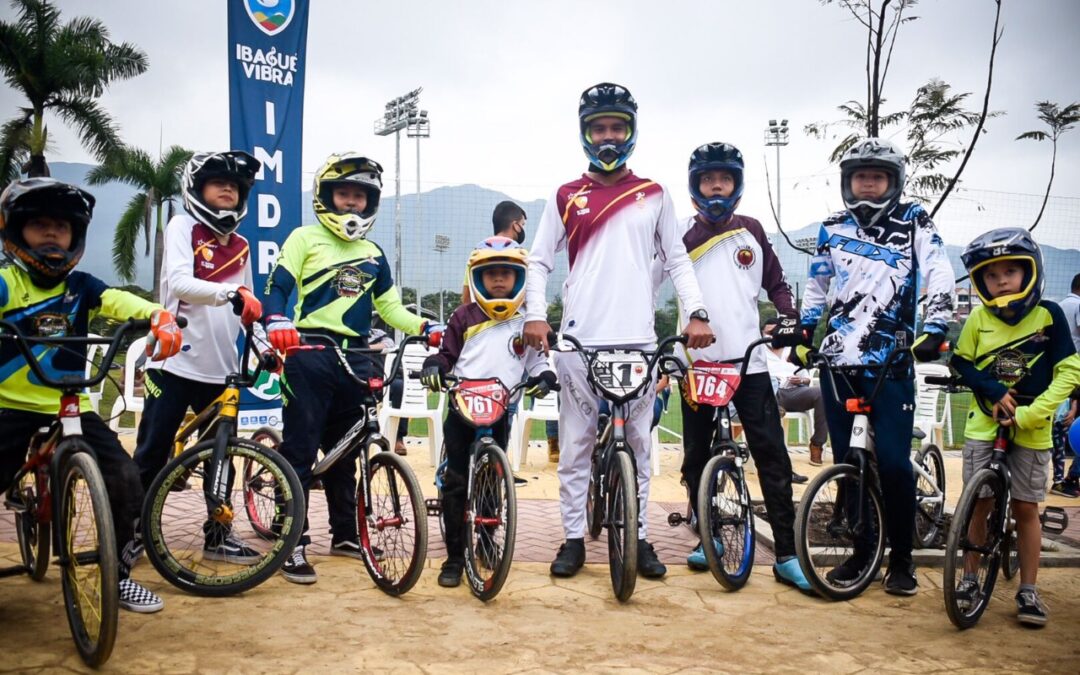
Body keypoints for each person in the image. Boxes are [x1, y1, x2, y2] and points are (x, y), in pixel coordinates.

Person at [522, 82, 714, 580]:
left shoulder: (653, 193)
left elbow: (677, 260)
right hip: (578, 343)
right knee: (578, 445)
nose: (608, 136)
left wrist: (697, 314)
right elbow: (538, 261)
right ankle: (570, 540)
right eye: (599, 128)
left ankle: (642, 539)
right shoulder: (566, 194)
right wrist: (535, 316)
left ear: (631, 132)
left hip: (639, 343)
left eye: (617, 127)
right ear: (586, 133)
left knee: (643, 449)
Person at [0, 178, 183, 613]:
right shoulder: (7, 283)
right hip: (11, 405)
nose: (51, 234)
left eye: (61, 227)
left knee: (124, 479)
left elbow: (118, 300)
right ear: (15, 231)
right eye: (39, 224)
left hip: (71, 406)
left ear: (75, 236)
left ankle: (117, 577)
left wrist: (159, 315)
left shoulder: (81, 286)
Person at [263, 153, 441, 585]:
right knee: (302, 450)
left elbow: (390, 308)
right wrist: (276, 320)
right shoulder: (304, 239)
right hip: (308, 353)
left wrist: (424, 325)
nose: (351, 205)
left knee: (346, 452)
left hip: (358, 358)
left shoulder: (373, 253)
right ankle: (292, 542)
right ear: (326, 197)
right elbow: (276, 290)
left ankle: (345, 533)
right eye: (343, 194)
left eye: (360, 197)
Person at [794, 138, 956, 596]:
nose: (867, 183)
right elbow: (818, 285)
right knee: (850, 462)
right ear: (848, 183)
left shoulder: (914, 220)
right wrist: (807, 330)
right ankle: (862, 554)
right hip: (839, 361)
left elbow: (938, 268)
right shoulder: (831, 228)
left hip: (891, 360)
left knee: (892, 463)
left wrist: (937, 322)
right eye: (859, 176)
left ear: (893, 182)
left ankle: (901, 561)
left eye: (877, 176)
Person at [672, 142, 811, 591]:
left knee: (771, 455)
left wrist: (789, 317)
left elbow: (777, 284)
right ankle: (705, 536)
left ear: (737, 184)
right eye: (709, 179)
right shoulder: (678, 236)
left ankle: (787, 553)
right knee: (696, 456)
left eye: (725, 179)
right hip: (697, 367)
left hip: (750, 364)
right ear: (695, 186)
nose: (717, 187)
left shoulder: (751, 230)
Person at [132, 151, 272, 565]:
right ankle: (131, 533)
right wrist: (228, 293)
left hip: (220, 371)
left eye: (235, 185)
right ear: (197, 189)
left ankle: (219, 535)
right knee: (152, 454)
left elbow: (250, 307)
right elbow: (178, 281)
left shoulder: (243, 246)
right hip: (172, 364)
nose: (228, 188)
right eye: (217, 182)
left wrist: (264, 348)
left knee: (220, 458)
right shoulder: (182, 226)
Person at [950, 228, 1080, 626]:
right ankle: (970, 578)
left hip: (1033, 427)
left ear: (1030, 271)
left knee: (1025, 507)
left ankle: (1028, 589)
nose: (1001, 280)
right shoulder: (978, 317)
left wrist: (1033, 412)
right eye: (991, 275)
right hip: (985, 427)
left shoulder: (1050, 315)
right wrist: (990, 392)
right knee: (979, 504)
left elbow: (1069, 371)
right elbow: (962, 362)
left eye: (1010, 271)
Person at [420, 236, 556, 587]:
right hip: (461, 407)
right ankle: (452, 558)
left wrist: (544, 375)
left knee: (494, 480)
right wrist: (435, 363)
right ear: (477, 278)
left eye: (506, 274)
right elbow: (446, 354)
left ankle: (485, 541)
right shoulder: (463, 316)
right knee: (456, 482)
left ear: (519, 279)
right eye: (491, 274)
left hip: (501, 409)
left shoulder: (528, 321)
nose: (498, 281)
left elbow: (538, 359)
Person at [762, 316, 829, 464]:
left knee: (821, 393)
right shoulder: (759, 351)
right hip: (769, 391)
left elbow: (807, 378)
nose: (771, 336)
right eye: (768, 333)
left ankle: (817, 443)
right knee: (768, 383)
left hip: (792, 392)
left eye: (775, 332)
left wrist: (801, 380)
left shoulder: (792, 350)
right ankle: (774, 407)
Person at [461, 201, 527, 305]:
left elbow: (466, 299)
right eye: (522, 224)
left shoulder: (477, 253)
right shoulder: (522, 255)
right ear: (515, 226)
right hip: (517, 320)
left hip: (483, 320)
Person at [369, 316, 408, 456]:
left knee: (399, 386)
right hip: (358, 378)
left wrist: (368, 347)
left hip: (381, 381)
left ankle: (399, 438)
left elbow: (390, 344)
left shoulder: (377, 334)